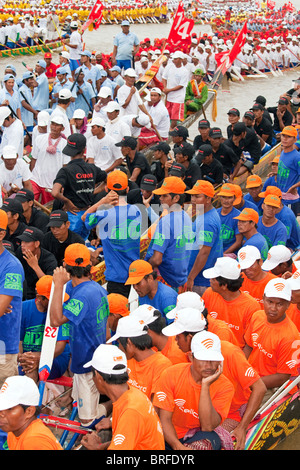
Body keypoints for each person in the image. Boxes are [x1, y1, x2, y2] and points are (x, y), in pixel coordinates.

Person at [49, 244, 109, 426]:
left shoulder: (82, 295)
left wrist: (58, 285)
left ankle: (115, 404)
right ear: (89, 266)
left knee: (87, 420)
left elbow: (55, 320)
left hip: (87, 363)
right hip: (90, 358)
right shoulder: (96, 288)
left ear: (66, 267)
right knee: (79, 400)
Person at [152, 330, 235, 450]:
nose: (209, 365)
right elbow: (164, 419)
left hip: (198, 435)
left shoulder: (225, 386)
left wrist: (205, 386)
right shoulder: (171, 374)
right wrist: (178, 446)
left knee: (206, 443)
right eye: (203, 359)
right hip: (169, 435)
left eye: (213, 359)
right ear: (191, 357)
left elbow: (207, 426)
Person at [80, 344, 165, 450]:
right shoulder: (130, 394)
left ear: (98, 376)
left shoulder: (131, 410)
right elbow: (125, 441)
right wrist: (99, 447)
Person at [83, 170, 141, 298]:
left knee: (116, 313)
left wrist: (102, 201)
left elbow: (84, 218)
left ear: (106, 189)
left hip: (117, 275)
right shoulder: (136, 210)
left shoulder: (104, 214)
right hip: (135, 271)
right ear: (127, 189)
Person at [244, 278, 300, 391]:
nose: (273, 308)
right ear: (263, 298)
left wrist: (250, 384)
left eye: (279, 304)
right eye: (270, 302)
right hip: (249, 376)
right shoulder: (257, 316)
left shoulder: (291, 337)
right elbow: (249, 346)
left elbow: (282, 377)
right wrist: (241, 371)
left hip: (270, 387)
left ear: (288, 304)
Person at [51, 133, 107, 240]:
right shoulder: (92, 168)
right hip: (88, 215)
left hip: (73, 215)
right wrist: (91, 191)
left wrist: (67, 202)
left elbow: (55, 192)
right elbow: (108, 181)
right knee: (84, 245)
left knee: (72, 248)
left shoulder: (66, 170)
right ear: (83, 150)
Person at [107, 314, 172, 401]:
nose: (119, 348)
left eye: (119, 344)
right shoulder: (128, 360)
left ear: (129, 343)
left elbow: (155, 409)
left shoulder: (162, 366)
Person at [145, 176, 193, 292]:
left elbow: (157, 260)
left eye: (164, 196)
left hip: (166, 280)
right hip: (181, 278)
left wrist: (145, 266)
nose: (160, 198)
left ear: (176, 198)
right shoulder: (186, 216)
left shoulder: (166, 221)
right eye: (160, 195)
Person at [19, 275, 70, 383]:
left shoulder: (63, 309)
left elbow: (59, 348)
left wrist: (36, 357)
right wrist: (22, 357)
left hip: (55, 359)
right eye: (51, 298)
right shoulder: (24, 308)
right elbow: (18, 340)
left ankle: (30, 400)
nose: (57, 301)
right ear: (38, 297)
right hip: (27, 358)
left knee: (31, 368)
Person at [202, 257, 261, 348]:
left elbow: (250, 345)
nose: (210, 281)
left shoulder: (251, 307)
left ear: (224, 285)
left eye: (213, 279)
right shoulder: (209, 294)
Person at [0, 375, 63, 450]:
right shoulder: (13, 431)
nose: (1, 414)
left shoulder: (34, 440)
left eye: (9, 409)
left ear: (29, 411)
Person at [0, 209, 24, 387]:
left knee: (4, 406)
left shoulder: (12, 266)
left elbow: (1, 308)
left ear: (1, 234)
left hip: (3, 349)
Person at [186, 180, 223, 295]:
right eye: (192, 196)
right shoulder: (204, 213)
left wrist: (191, 277)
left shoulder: (207, 221)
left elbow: (204, 252)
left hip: (201, 281)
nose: (193, 200)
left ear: (208, 199)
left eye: (197, 196)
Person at [30, 115, 69, 205]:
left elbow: (65, 166)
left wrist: (62, 183)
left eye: (57, 125)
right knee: (29, 202)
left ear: (62, 128)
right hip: (36, 178)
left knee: (47, 208)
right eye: (53, 124)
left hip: (52, 182)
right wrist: (30, 175)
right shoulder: (39, 139)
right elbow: (34, 158)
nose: (54, 127)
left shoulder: (65, 144)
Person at [15, 226, 57, 300]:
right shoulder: (20, 252)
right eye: (22, 241)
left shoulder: (49, 260)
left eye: (26, 242)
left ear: (37, 244)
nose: (22, 245)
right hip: (21, 292)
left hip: (40, 297)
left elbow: (49, 285)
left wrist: (35, 266)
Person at [162, 51, 189, 129]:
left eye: (176, 59)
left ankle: (171, 129)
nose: (174, 60)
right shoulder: (169, 66)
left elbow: (181, 85)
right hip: (169, 95)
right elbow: (164, 77)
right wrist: (165, 88)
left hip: (178, 97)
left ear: (181, 60)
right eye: (173, 59)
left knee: (174, 115)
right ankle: (166, 128)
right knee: (167, 113)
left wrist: (169, 90)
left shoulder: (184, 71)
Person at [276, 126, 300, 209]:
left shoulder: (297, 157)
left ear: (295, 140)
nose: (285, 139)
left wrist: (294, 187)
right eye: (283, 136)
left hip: (290, 199)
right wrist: (276, 173)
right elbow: (288, 170)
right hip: (280, 196)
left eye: (289, 137)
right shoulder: (283, 152)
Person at [216, 183, 243, 255]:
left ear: (234, 198)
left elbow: (238, 242)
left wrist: (223, 254)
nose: (226, 200)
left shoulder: (238, 216)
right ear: (220, 198)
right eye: (224, 197)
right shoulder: (215, 214)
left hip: (230, 253)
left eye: (229, 197)